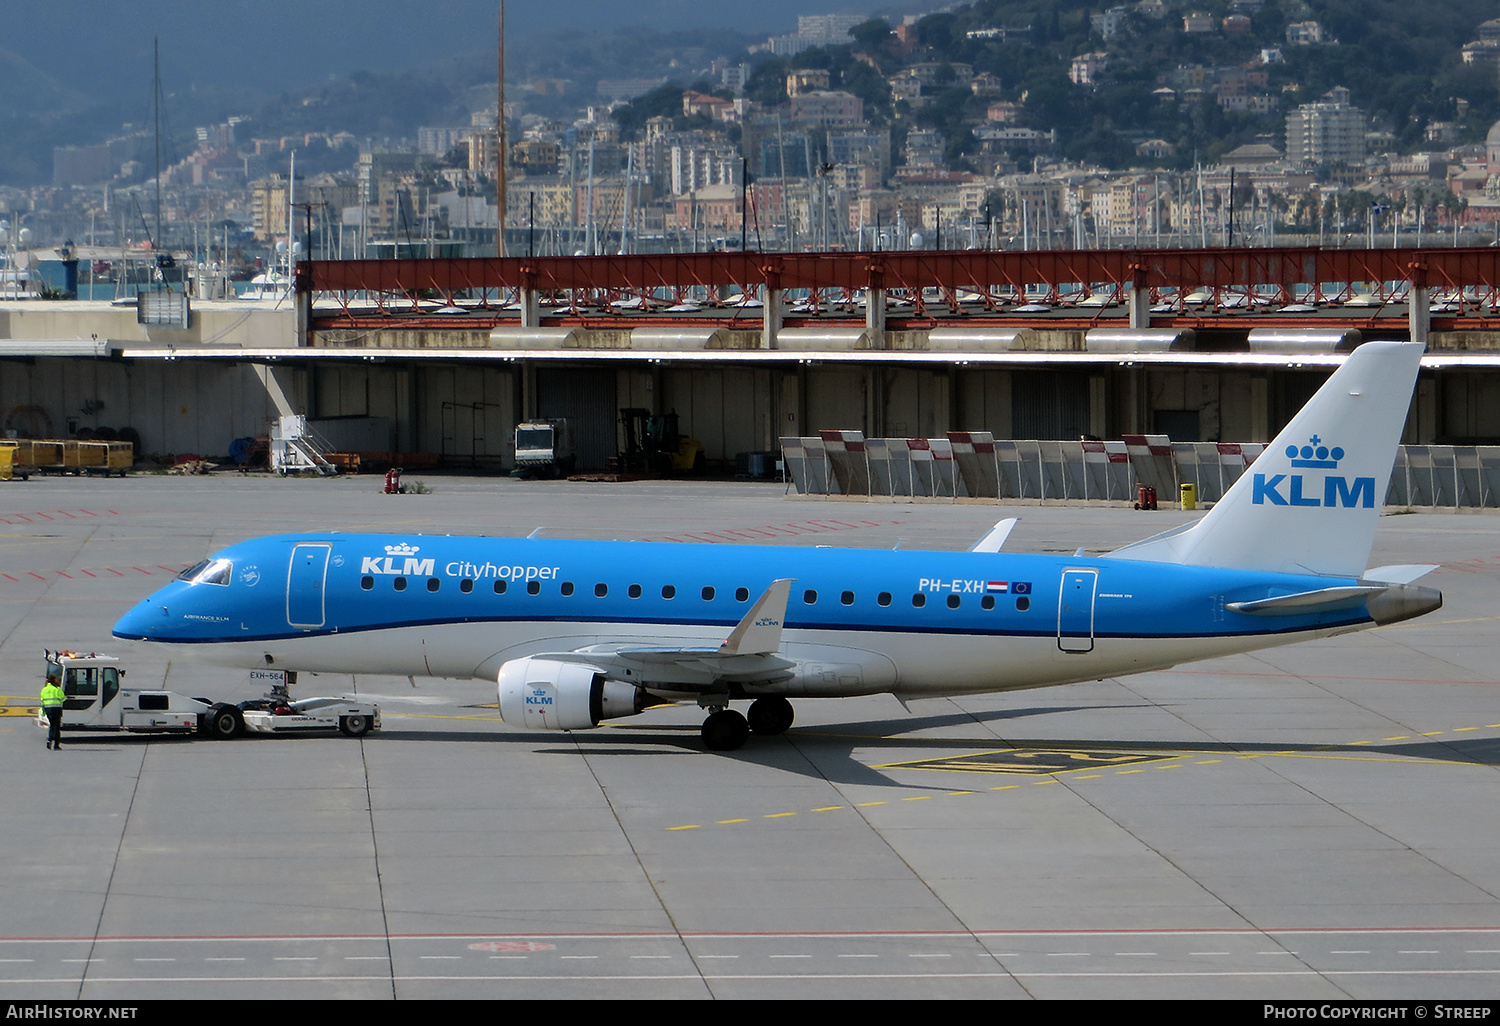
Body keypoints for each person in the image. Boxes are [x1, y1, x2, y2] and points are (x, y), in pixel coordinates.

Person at [40, 674, 65, 750]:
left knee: (51, 725)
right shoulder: (57, 689)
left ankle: (49, 740)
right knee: (57, 727)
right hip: (56, 709)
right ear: (54, 680)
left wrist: (43, 711)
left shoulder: (44, 690)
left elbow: (42, 701)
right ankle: (56, 745)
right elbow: (62, 698)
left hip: (48, 709)